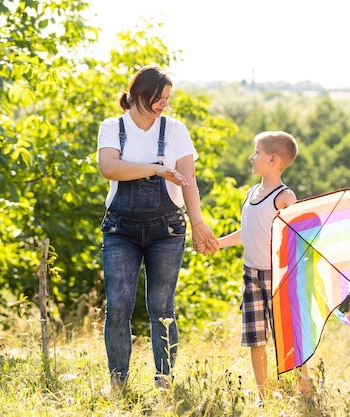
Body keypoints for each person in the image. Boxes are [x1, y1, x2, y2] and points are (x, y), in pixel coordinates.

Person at [97, 65, 218, 389]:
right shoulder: (113, 128)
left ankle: (164, 381)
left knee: (161, 306)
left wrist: (198, 223)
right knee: (119, 305)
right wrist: (156, 169)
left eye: (167, 98)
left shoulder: (175, 130)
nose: (164, 103)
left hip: (166, 230)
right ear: (138, 94)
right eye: (159, 97)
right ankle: (118, 381)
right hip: (121, 229)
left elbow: (188, 180)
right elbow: (109, 168)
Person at [213, 131, 311, 406]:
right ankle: (263, 396)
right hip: (251, 274)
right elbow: (247, 231)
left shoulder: (284, 197)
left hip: (278, 277)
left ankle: (305, 390)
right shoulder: (251, 193)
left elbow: (300, 235)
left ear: (273, 159)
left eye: (256, 152)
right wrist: (218, 244)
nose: (251, 157)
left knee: (288, 335)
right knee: (256, 337)